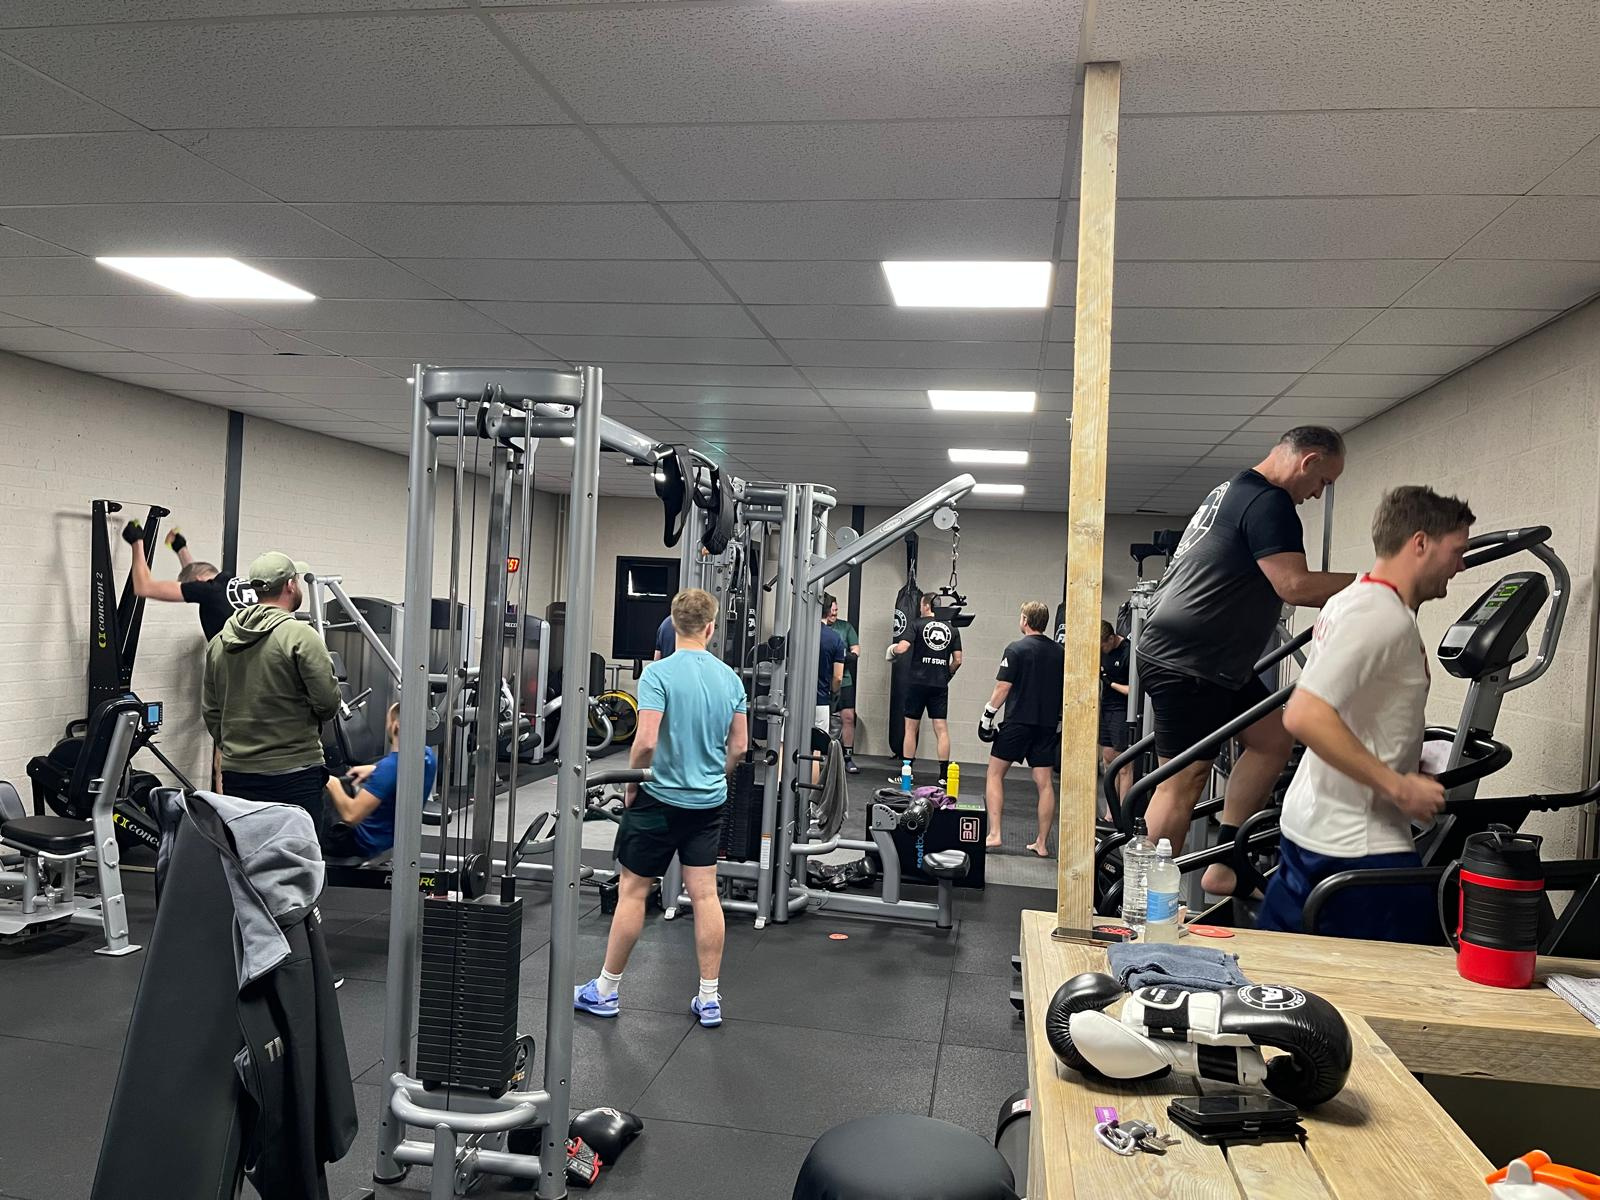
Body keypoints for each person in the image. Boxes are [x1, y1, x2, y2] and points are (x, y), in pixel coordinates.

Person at [1136, 426, 1356, 895]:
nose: (1318, 494)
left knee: (1273, 739)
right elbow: (1294, 586)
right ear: (1309, 461)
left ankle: (1225, 864)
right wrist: (1378, 584)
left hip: (1213, 662)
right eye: (1323, 481)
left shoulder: (1235, 489)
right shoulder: (1269, 502)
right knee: (1182, 780)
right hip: (1190, 661)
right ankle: (1146, 905)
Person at [1257, 486, 1474, 943]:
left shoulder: (1352, 599)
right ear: (1420, 543)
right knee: (1409, 973)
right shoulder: (1380, 615)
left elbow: (1350, 706)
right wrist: (1399, 785)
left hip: (1316, 824)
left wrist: (1400, 755)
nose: (1460, 565)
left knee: (1286, 967)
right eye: (1456, 551)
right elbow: (1304, 714)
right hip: (1356, 842)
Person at [576, 588, 748, 1028]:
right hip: (707, 802)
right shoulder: (730, 679)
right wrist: (717, 777)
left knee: (634, 891)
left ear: (673, 624)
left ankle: (606, 991)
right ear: (710, 628)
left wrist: (632, 784)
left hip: (659, 796)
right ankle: (709, 998)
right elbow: (740, 747)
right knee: (705, 894)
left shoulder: (657, 674)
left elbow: (646, 741)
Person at [203, 551, 341, 834]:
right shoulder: (301, 636)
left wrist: (239, 748)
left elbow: (212, 712)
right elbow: (328, 704)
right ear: (290, 585)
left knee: (248, 853)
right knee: (299, 857)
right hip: (295, 773)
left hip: (239, 774)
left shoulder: (219, 642)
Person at [978, 602, 1064, 855]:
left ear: (1025, 620)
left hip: (1017, 722)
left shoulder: (1016, 649)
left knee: (995, 774)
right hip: (1047, 724)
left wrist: (987, 716)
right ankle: (1042, 843)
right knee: (1045, 783)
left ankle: (995, 834)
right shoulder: (1060, 652)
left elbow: (1003, 687)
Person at [322, 703, 438, 861]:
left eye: (388, 720)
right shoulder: (427, 755)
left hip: (359, 843)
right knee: (344, 791)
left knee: (309, 815)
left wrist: (332, 782)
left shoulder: (389, 768)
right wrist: (373, 769)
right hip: (387, 838)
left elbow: (351, 815)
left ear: (396, 726)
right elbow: (399, 768)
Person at [125, 522, 257, 641]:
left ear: (198, 582)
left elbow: (143, 587)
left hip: (239, 658)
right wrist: (180, 547)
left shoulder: (210, 591)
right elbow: (196, 572)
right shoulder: (235, 582)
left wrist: (137, 542)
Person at [888, 591, 962, 787]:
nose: (920, 608)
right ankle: (944, 776)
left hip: (917, 683)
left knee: (911, 728)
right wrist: (946, 675)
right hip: (939, 684)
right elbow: (958, 660)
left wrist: (892, 650)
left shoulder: (917, 624)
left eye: (921, 605)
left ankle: (907, 774)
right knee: (941, 728)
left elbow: (902, 648)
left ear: (927, 605)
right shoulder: (952, 628)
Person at [824, 595, 862, 773]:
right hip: (822, 680)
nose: (834, 614)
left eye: (836, 611)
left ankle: (847, 757)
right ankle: (818, 756)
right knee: (820, 718)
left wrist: (843, 656)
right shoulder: (818, 628)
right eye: (831, 611)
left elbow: (856, 650)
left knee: (848, 717)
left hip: (843, 680)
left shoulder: (845, 627)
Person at [1098, 619, 1133, 812]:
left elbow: (1132, 690)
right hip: (1106, 708)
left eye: (1103, 645)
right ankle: (1111, 812)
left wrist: (1110, 683)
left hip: (1122, 710)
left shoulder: (1127, 652)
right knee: (1108, 758)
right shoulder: (1103, 652)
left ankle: (1123, 812)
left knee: (1124, 764)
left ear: (1111, 638)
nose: (1102, 650)